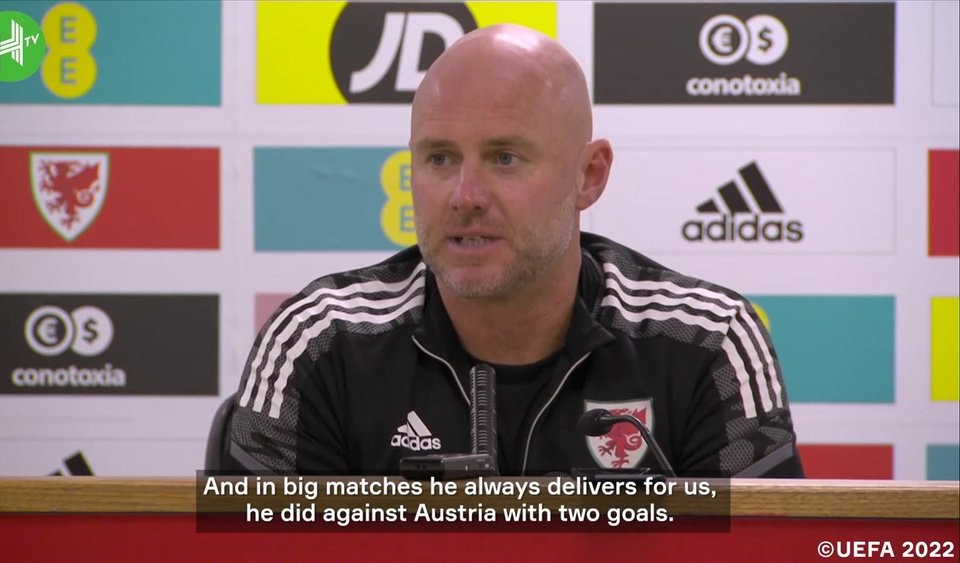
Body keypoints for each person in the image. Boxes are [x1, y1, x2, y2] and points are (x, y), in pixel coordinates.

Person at [226, 24, 803, 477]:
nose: (465, 196)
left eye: (505, 158)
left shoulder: (706, 342)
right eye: (439, 158)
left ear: (589, 175)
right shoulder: (321, 342)